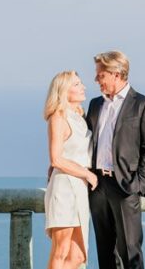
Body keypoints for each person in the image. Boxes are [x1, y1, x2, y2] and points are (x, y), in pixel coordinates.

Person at [86, 51, 145, 269]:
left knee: (130, 252)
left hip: (125, 187)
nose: (96, 80)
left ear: (116, 74)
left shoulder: (143, 105)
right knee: (105, 252)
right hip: (98, 186)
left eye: (100, 75)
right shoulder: (95, 104)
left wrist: (137, 185)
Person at [44, 70, 97, 269]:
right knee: (60, 251)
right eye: (76, 84)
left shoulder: (79, 118)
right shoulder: (58, 117)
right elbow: (56, 158)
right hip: (65, 187)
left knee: (78, 256)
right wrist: (87, 173)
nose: (83, 87)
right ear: (63, 91)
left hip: (79, 188)